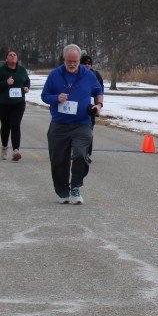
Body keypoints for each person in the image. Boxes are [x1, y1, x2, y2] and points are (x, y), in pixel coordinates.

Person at [40, 44, 104, 204]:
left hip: (82, 123)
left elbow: (98, 91)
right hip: (59, 124)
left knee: (81, 155)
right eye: (69, 61)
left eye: (75, 61)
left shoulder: (88, 75)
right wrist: (56, 98)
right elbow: (44, 95)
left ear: (79, 60)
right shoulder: (55, 74)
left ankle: (75, 187)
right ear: (64, 59)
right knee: (58, 160)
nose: (72, 64)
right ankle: (63, 191)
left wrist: (98, 105)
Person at [0, 49, 30, 161]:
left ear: (17, 58)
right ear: (6, 58)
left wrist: (26, 87)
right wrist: (5, 83)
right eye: (10, 55)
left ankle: (16, 150)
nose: (12, 56)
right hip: (3, 103)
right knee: (5, 125)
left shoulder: (22, 70)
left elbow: (27, 81)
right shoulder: (2, 70)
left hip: (18, 102)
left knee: (15, 124)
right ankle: (4, 147)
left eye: (14, 55)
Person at [80, 55, 104, 156]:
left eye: (89, 64)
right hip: (77, 107)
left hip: (90, 108)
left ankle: (87, 153)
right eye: (84, 63)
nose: (87, 65)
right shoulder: (76, 74)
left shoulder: (95, 75)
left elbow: (99, 92)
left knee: (88, 131)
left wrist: (98, 106)